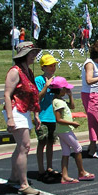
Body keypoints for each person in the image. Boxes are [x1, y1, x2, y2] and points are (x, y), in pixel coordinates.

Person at [3, 42, 42, 195]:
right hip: (15, 110)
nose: (34, 56)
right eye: (32, 53)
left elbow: (33, 95)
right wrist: (10, 118)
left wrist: (36, 114)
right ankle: (23, 184)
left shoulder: (28, 71)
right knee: (25, 146)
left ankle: (14, 178)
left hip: (24, 110)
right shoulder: (15, 71)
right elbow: (7, 94)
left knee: (21, 146)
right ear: (24, 55)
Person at [50, 77, 95, 184]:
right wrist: (72, 123)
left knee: (66, 152)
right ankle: (81, 172)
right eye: (65, 89)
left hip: (63, 130)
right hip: (64, 130)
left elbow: (72, 106)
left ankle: (64, 176)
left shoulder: (60, 100)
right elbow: (58, 119)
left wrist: (70, 96)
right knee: (78, 148)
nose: (67, 90)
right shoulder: (58, 103)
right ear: (60, 89)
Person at [35, 54, 60, 183]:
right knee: (42, 142)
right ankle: (41, 170)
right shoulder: (38, 80)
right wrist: (46, 85)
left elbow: (58, 97)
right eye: (50, 66)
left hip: (52, 117)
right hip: (42, 116)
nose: (52, 68)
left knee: (51, 142)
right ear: (43, 67)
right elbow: (38, 98)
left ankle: (49, 167)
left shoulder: (55, 79)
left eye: (54, 65)